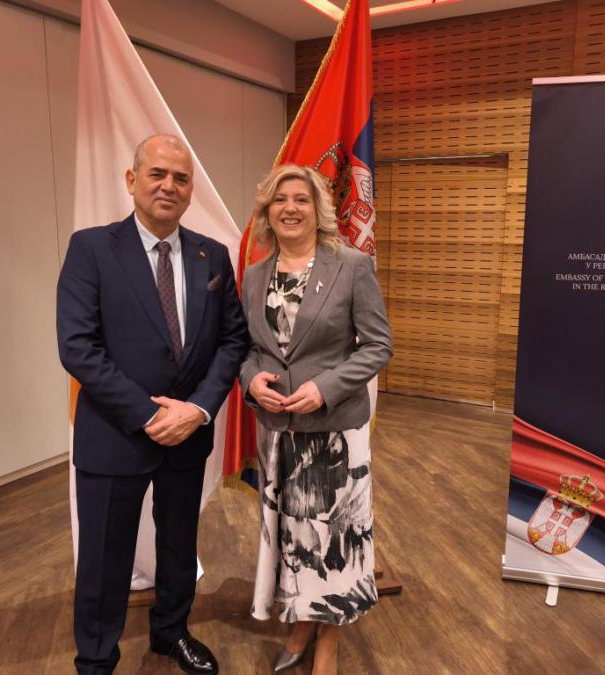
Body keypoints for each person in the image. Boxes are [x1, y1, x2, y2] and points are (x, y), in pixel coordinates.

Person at [57, 134, 248, 674]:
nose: (169, 186)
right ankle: (96, 659)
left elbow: (232, 339)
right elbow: (78, 347)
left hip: (188, 435)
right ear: (132, 180)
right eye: (157, 174)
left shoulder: (212, 255)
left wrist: (198, 410)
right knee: (104, 558)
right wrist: (149, 414)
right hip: (114, 435)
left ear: (190, 190)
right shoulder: (91, 249)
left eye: (180, 178)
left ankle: (171, 631)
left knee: (179, 545)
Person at [240, 165, 393, 674]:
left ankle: (330, 636)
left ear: (317, 209)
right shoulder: (255, 275)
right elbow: (249, 350)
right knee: (295, 537)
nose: (290, 208)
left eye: (301, 199)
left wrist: (324, 389)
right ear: (267, 211)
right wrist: (251, 381)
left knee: (334, 540)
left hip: (334, 436)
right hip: (279, 434)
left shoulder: (351, 266)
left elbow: (378, 346)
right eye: (279, 200)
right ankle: (302, 621)